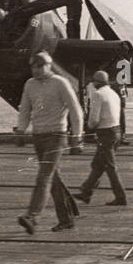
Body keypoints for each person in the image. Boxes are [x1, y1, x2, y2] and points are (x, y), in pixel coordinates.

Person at [14, 52, 84, 233]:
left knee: (44, 177)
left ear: (49, 65)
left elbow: (76, 110)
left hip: (56, 136)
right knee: (53, 179)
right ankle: (68, 218)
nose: (36, 70)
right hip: (38, 136)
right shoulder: (29, 85)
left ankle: (32, 217)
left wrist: (77, 136)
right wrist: (21, 130)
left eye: (40, 66)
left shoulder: (60, 83)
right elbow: (25, 110)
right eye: (33, 67)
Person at [77, 71, 128, 207]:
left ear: (96, 82)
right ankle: (86, 192)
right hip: (116, 131)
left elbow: (94, 119)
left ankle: (121, 197)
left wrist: (87, 128)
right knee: (98, 164)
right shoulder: (114, 94)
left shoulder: (98, 95)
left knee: (110, 167)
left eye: (93, 81)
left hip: (105, 134)